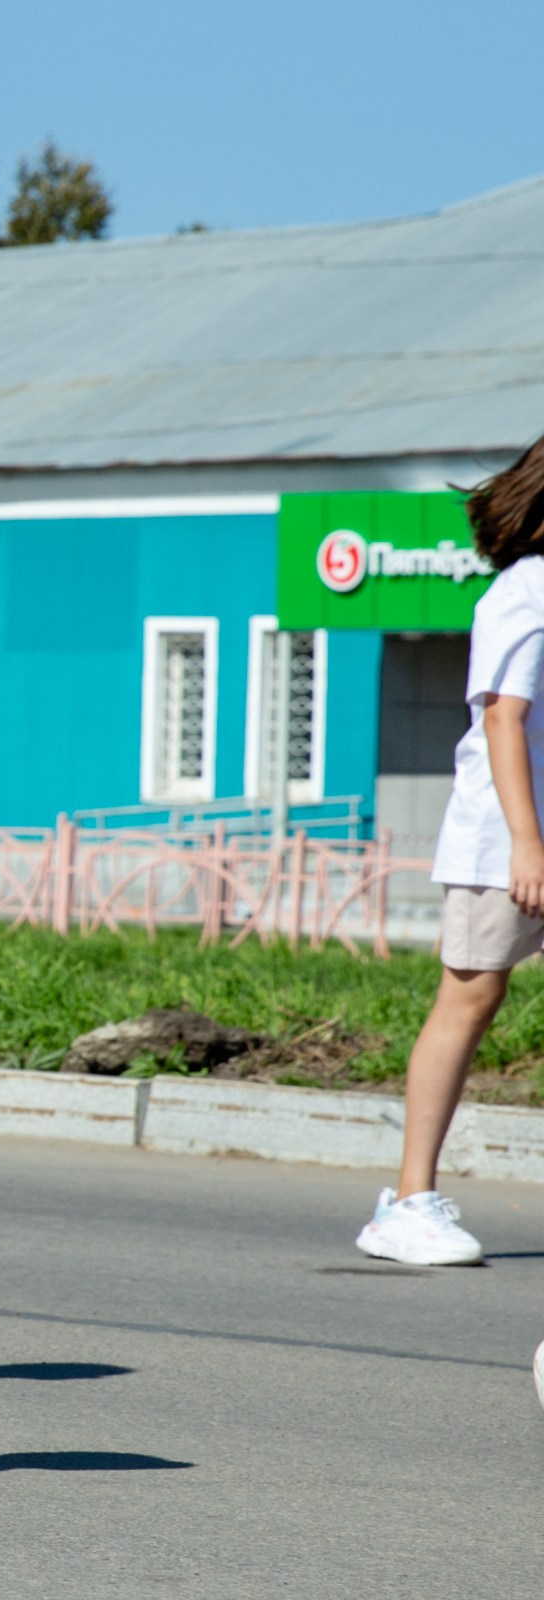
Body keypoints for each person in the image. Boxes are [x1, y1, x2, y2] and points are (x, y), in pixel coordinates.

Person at [359, 435, 544, 1266]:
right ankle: (407, 1203)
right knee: (468, 1004)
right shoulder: (529, 591)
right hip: (504, 843)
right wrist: (526, 845)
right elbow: (502, 717)